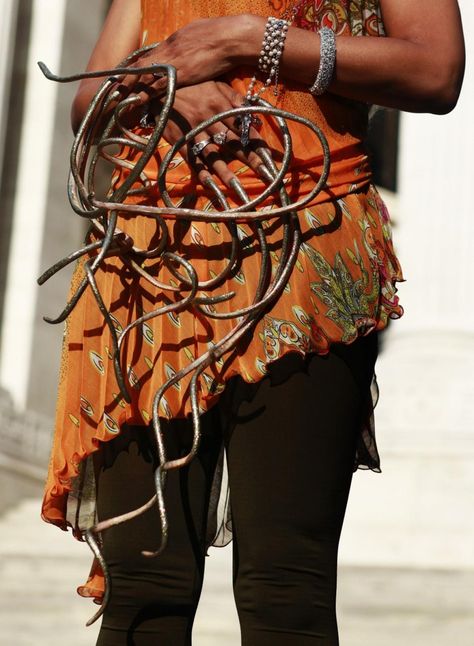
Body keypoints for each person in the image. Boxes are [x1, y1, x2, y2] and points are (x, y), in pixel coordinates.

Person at [40, 1, 465, 644]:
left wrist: (249, 41)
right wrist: (160, 79)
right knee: (143, 588)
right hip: (145, 272)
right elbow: (88, 101)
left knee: (285, 586)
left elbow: (436, 71)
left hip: (304, 250)